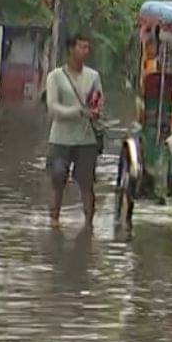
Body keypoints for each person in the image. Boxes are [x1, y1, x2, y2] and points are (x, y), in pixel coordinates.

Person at [45, 33, 103, 227]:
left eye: (87, 47)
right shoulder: (55, 77)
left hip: (86, 140)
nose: (85, 51)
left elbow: (98, 103)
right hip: (60, 139)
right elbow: (53, 108)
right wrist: (78, 111)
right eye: (81, 47)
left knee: (87, 183)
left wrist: (95, 112)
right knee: (58, 179)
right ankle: (54, 222)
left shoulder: (93, 76)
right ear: (71, 49)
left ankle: (89, 225)